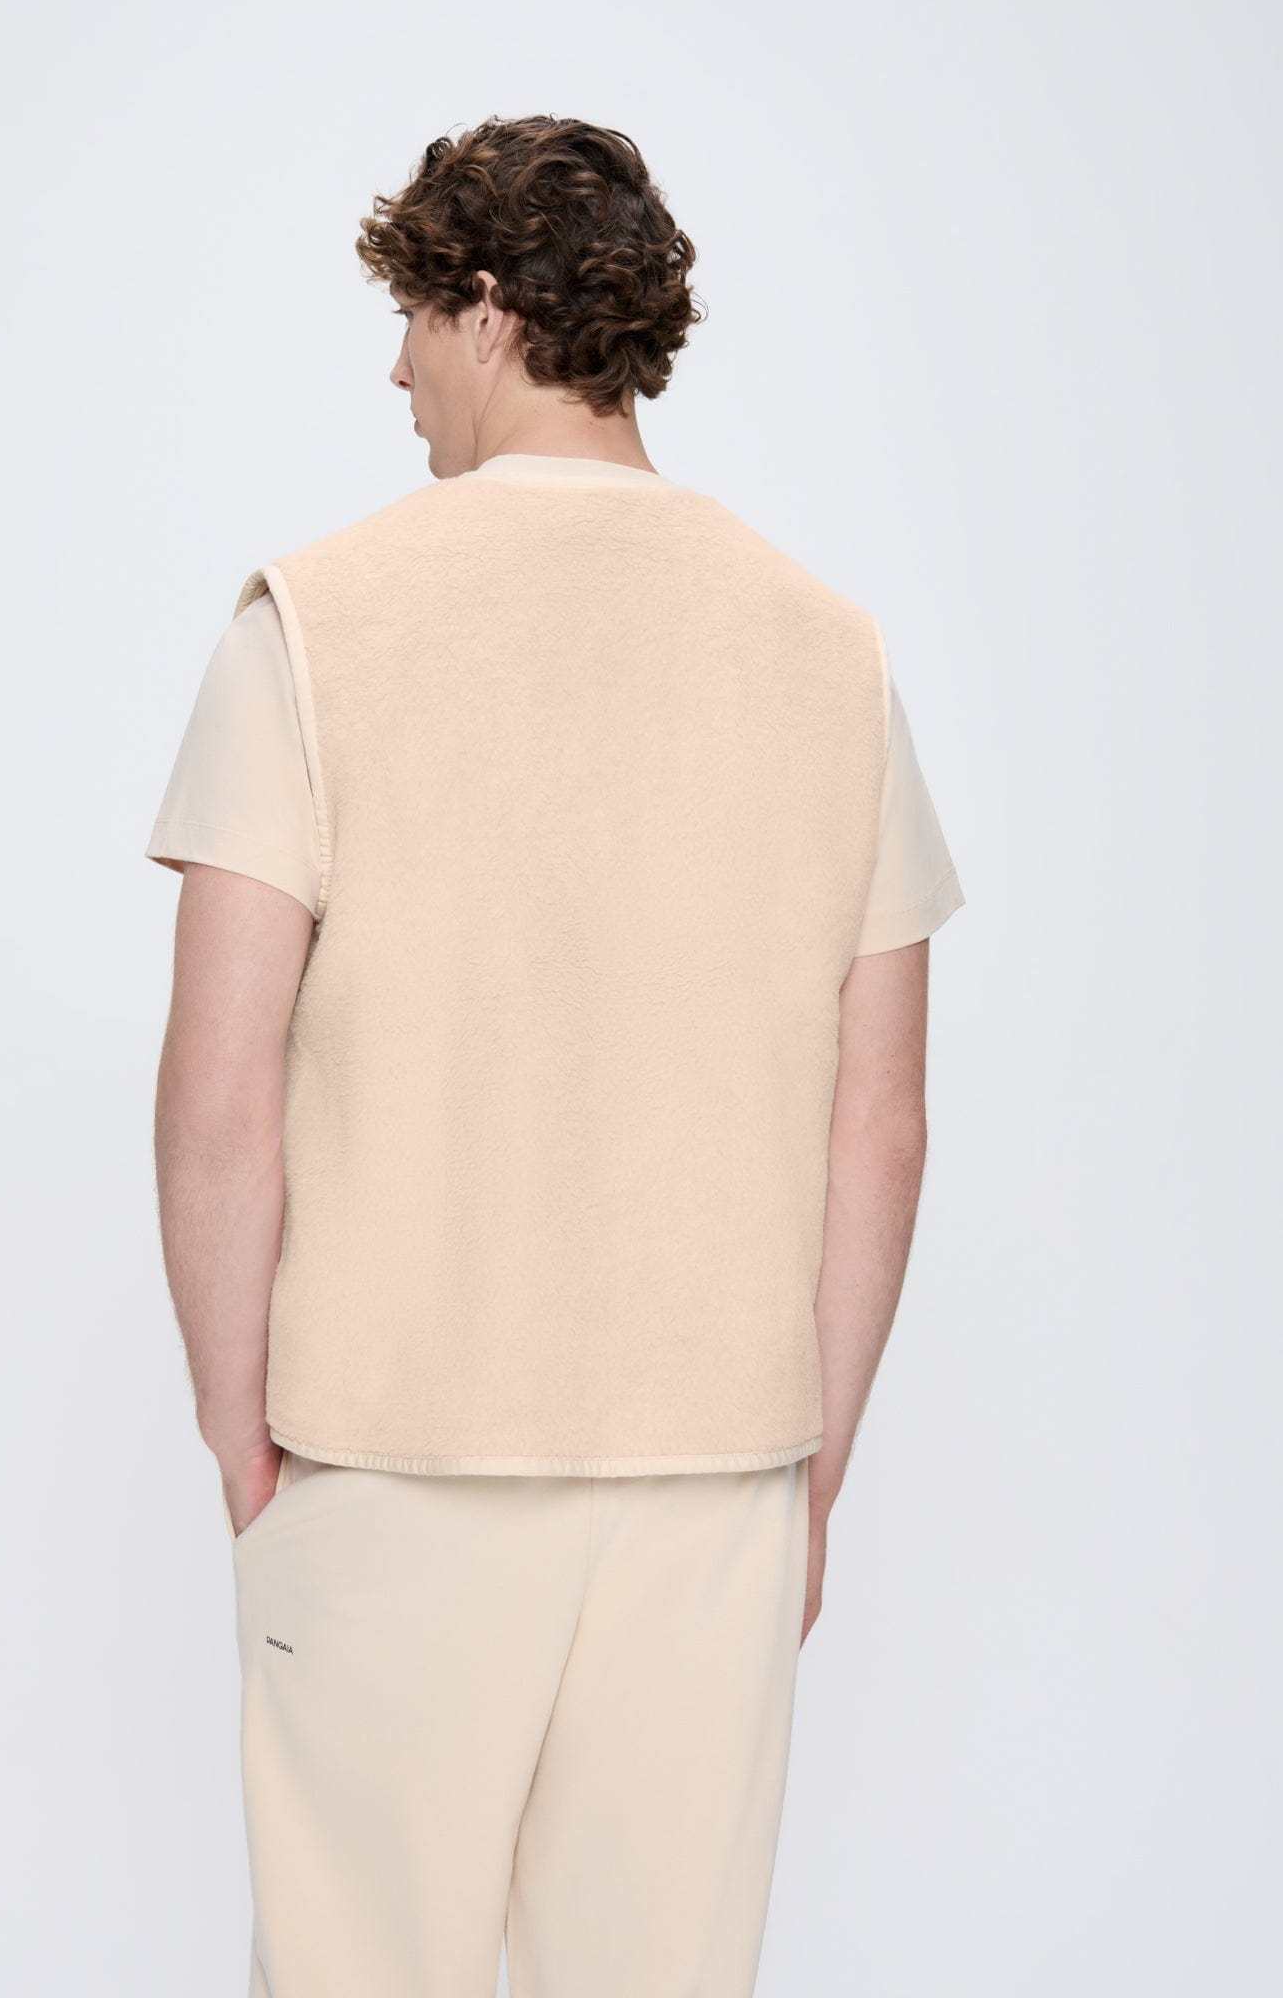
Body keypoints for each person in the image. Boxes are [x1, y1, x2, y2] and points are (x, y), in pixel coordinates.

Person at [146, 113, 964, 1998]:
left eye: (411, 319)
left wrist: (236, 1435)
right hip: (713, 1472)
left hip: (387, 1454)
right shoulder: (829, 651)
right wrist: (809, 1476)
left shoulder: (313, 625)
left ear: (490, 308)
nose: (396, 372)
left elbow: (219, 1088)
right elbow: (883, 1120)